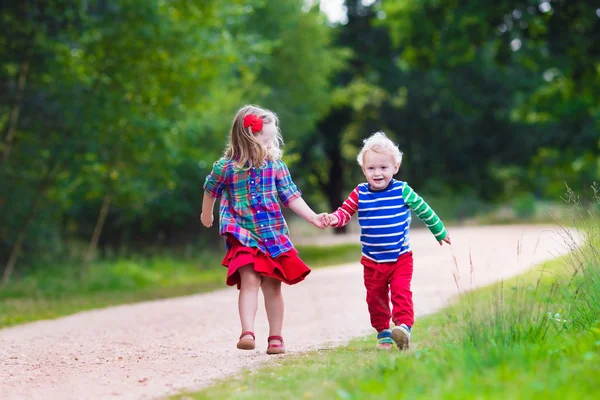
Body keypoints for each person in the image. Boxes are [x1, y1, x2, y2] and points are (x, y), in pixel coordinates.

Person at [201, 104, 327, 355]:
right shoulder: (226, 167)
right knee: (249, 279)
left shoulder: (276, 166)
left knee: (272, 285)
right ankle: (247, 332)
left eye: (272, 139)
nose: (270, 144)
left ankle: (276, 338)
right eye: (265, 139)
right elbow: (210, 188)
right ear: (247, 137)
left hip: (272, 234)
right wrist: (207, 213)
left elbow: (291, 197)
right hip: (242, 233)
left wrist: (313, 217)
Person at [324, 131, 451, 350]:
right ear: (364, 170)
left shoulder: (403, 190)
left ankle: (403, 328)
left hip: (400, 257)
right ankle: (383, 332)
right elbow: (345, 212)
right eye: (371, 168)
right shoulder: (360, 193)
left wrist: (439, 230)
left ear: (395, 167)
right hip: (372, 260)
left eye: (383, 167)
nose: (378, 173)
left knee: (401, 292)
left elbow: (423, 209)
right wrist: (333, 219)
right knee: (375, 298)